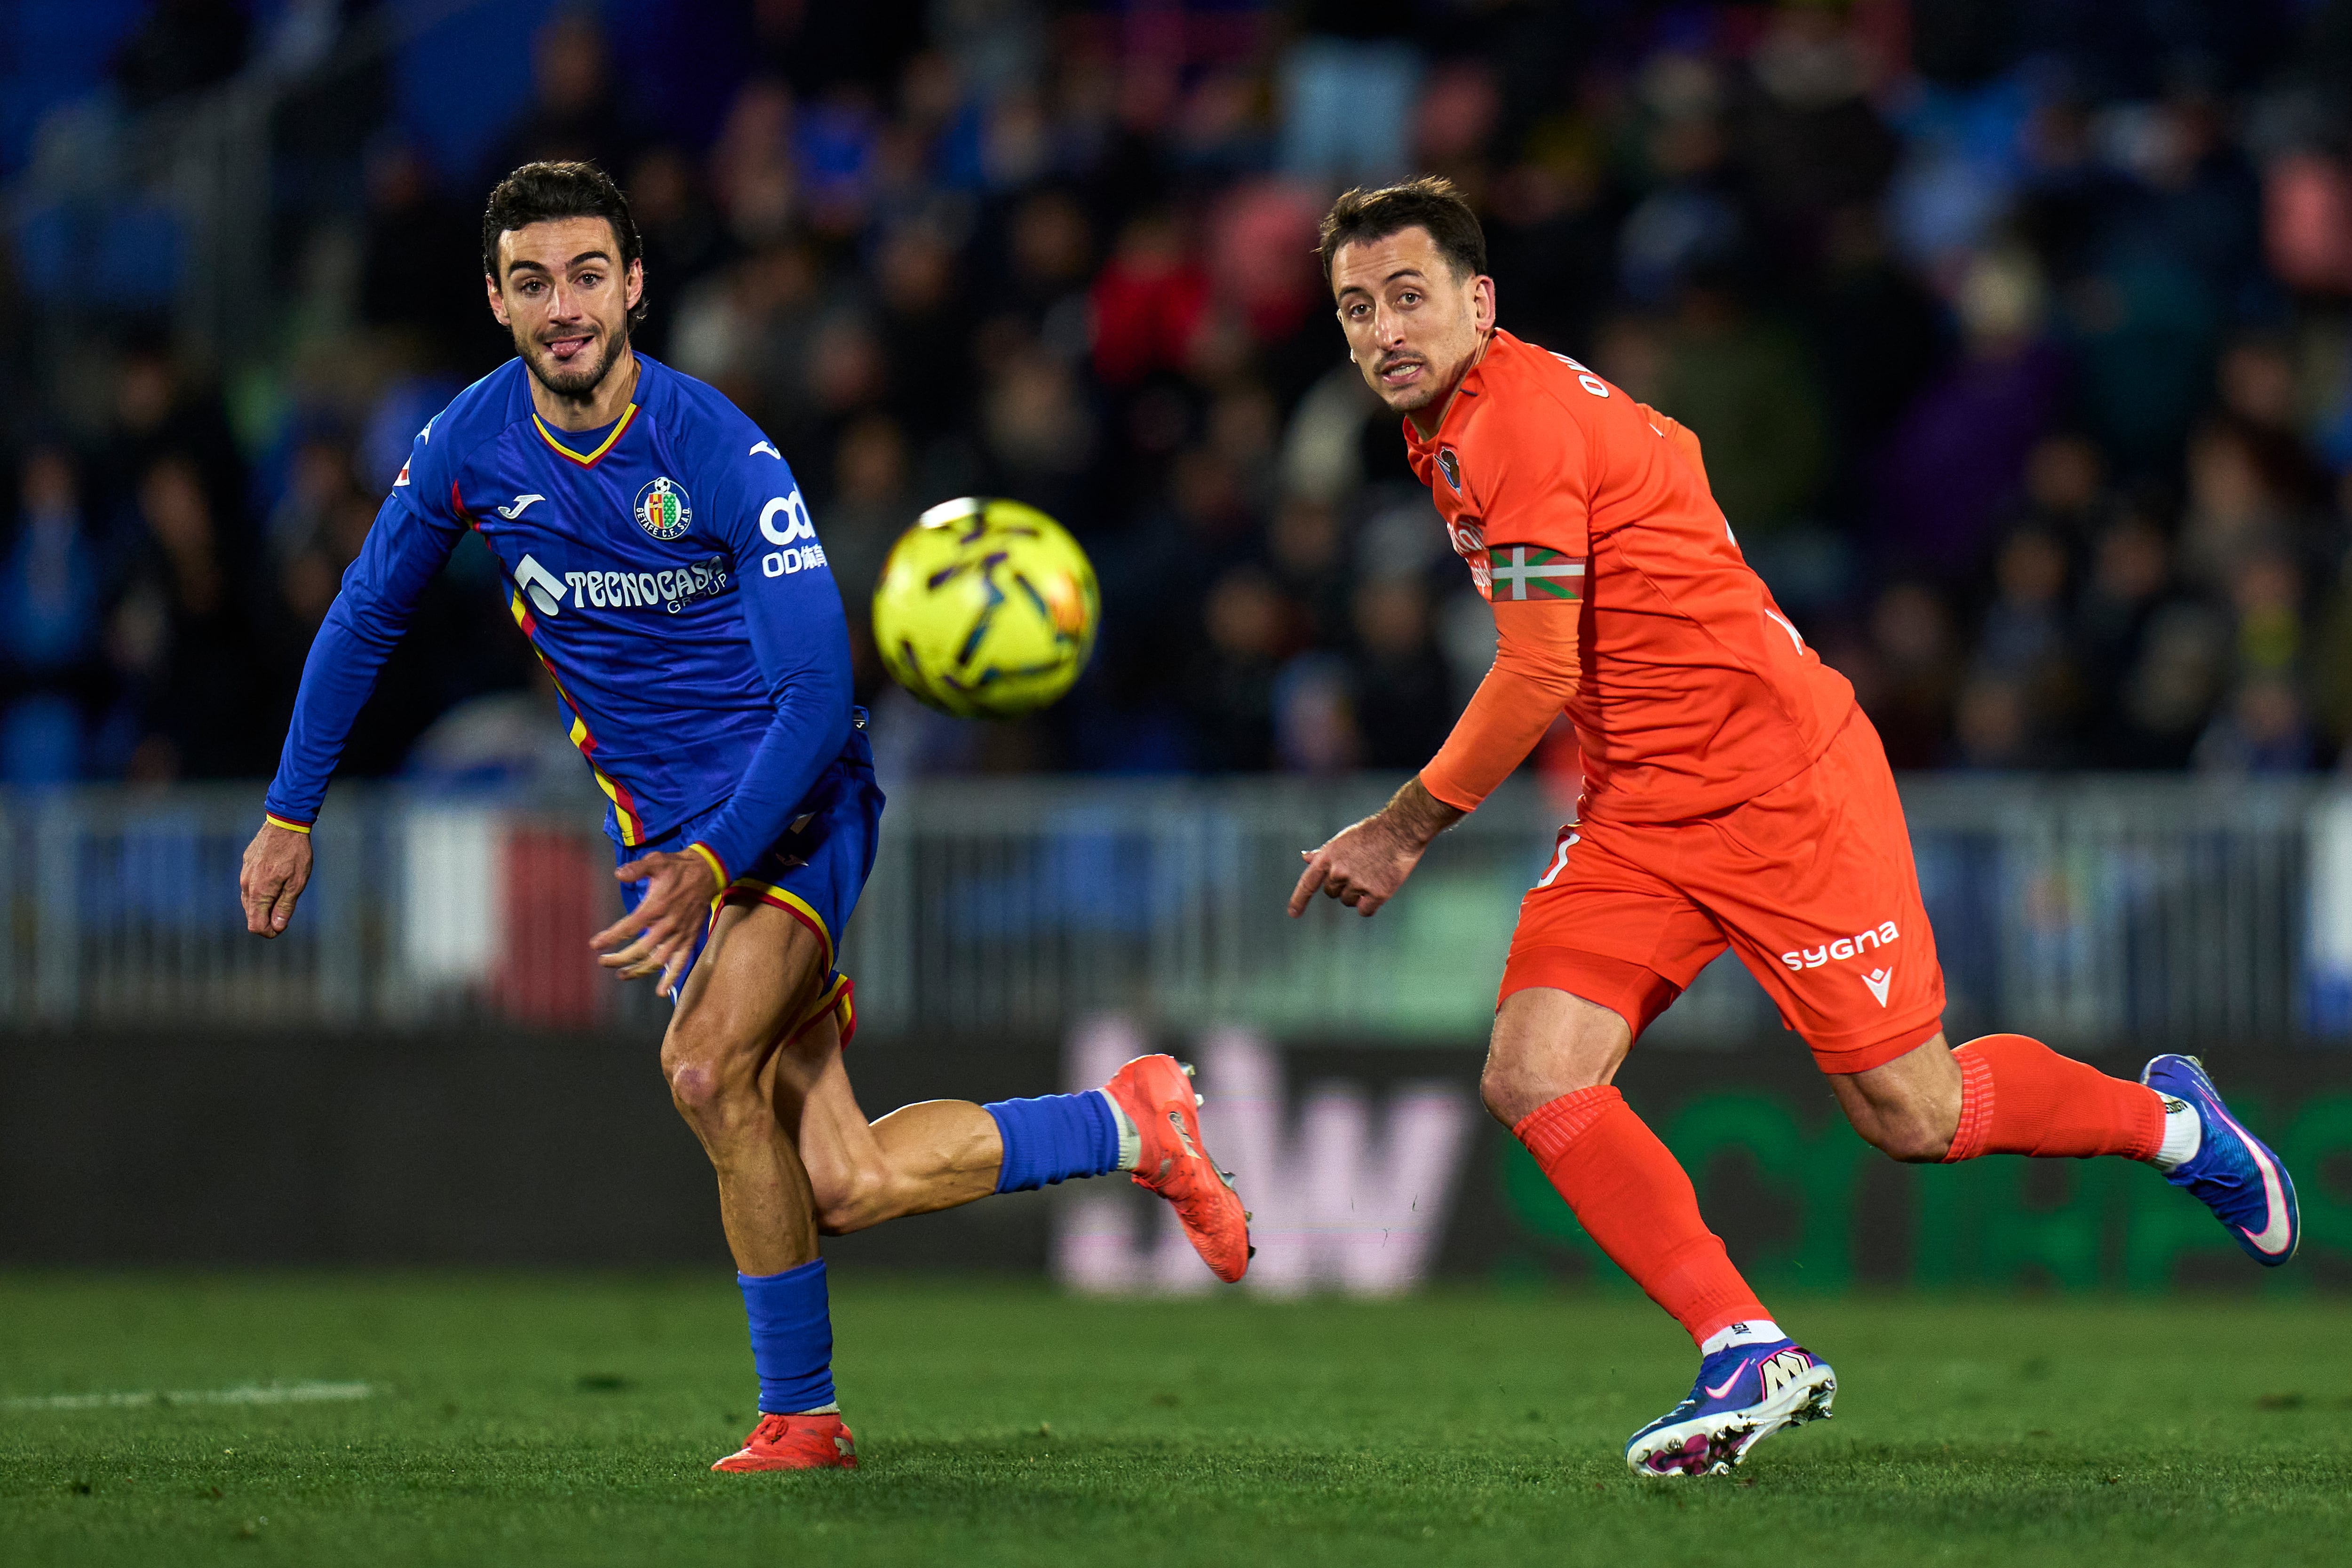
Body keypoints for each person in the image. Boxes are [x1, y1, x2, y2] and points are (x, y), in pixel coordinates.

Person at [238, 162, 1249, 1473]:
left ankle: (802, 1421)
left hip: (794, 815)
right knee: (841, 1181)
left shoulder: (715, 446)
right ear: (495, 299)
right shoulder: (468, 445)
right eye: (534, 282)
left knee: (707, 1071)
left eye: (589, 275)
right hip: (677, 851)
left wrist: (717, 863)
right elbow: (368, 611)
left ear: (636, 284)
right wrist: (289, 809)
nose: (566, 307)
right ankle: (1130, 1125)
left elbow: (822, 690)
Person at [1289, 177, 2300, 1478]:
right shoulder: (1458, 420)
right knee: (1536, 1071)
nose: (1382, 330)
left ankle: (2177, 1129)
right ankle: (1745, 1348)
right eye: (1356, 309)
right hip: (1644, 804)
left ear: (1482, 302)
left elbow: (1535, 674)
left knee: (1913, 1114)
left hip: (1780, 790)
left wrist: (1403, 827)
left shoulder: (1514, 426)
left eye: (1409, 296)